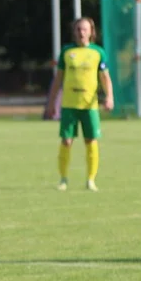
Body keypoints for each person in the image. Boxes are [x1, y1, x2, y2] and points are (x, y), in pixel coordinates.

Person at [44, 17, 114, 191]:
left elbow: (105, 78)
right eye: (78, 29)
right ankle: (63, 179)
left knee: (91, 141)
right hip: (69, 105)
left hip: (89, 106)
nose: (81, 33)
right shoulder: (67, 52)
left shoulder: (98, 52)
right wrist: (52, 103)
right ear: (74, 32)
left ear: (91, 32)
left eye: (84, 29)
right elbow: (58, 79)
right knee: (66, 141)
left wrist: (109, 97)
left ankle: (91, 180)